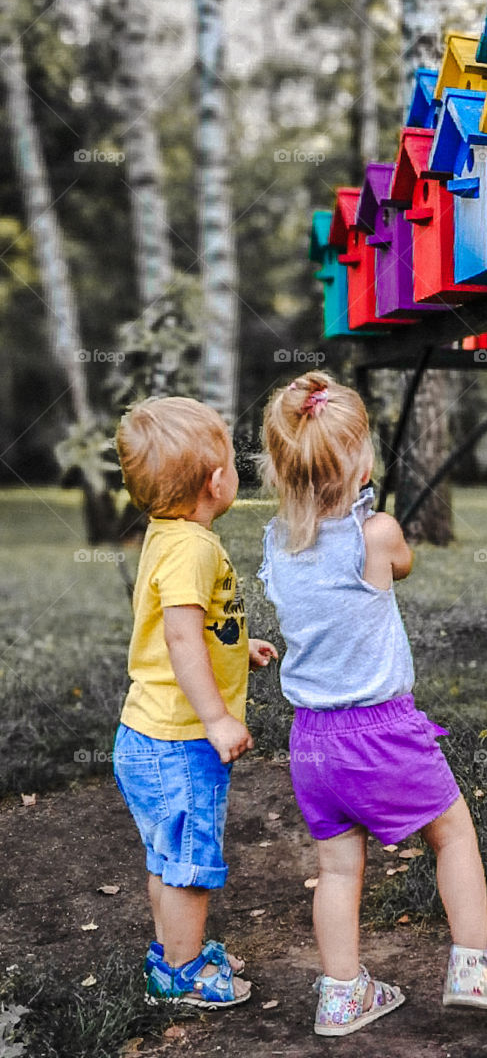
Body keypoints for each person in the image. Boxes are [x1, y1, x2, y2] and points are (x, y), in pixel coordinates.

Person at [258, 372, 487, 1038]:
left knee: (336, 867)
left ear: (281, 468)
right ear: (361, 462)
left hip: (311, 743)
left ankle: (340, 995)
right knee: (453, 835)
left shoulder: (278, 540)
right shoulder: (377, 532)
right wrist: (368, 509)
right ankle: (473, 968)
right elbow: (405, 563)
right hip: (380, 731)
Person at [113, 397, 277, 1008]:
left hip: (147, 737)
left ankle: (171, 953)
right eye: (233, 460)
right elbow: (182, 638)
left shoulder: (167, 536)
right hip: (180, 740)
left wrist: (238, 643)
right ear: (217, 480)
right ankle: (181, 975)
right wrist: (215, 716)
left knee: (167, 855)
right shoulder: (195, 548)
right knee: (188, 861)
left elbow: (188, 627)